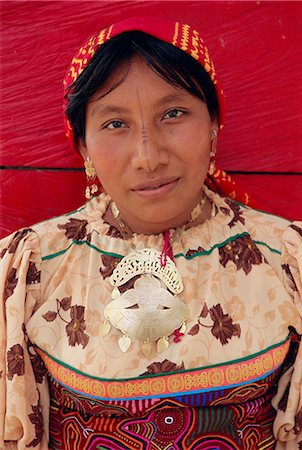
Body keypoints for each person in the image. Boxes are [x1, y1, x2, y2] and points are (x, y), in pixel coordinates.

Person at [0, 15, 301, 450]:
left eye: (174, 113)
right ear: (83, 145)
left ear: (214, 124)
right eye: (115, 124)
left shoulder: (286, 258)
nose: (148, 156)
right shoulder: (30, 271)